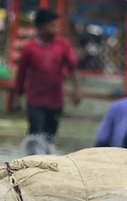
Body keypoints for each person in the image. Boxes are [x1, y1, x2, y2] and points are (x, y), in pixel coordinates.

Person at [10, 9, 80, 140]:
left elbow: (73, 68)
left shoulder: (63, 46)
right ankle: (31, 159)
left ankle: (47, 160)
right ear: (41, 27)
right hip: (35, 100)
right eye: (52, 25)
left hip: (56, 101)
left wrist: (76, 90)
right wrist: (17, 97)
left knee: (50, 137)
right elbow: (21, 73)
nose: (56, 28)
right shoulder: (30, 48)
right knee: (35, 134)